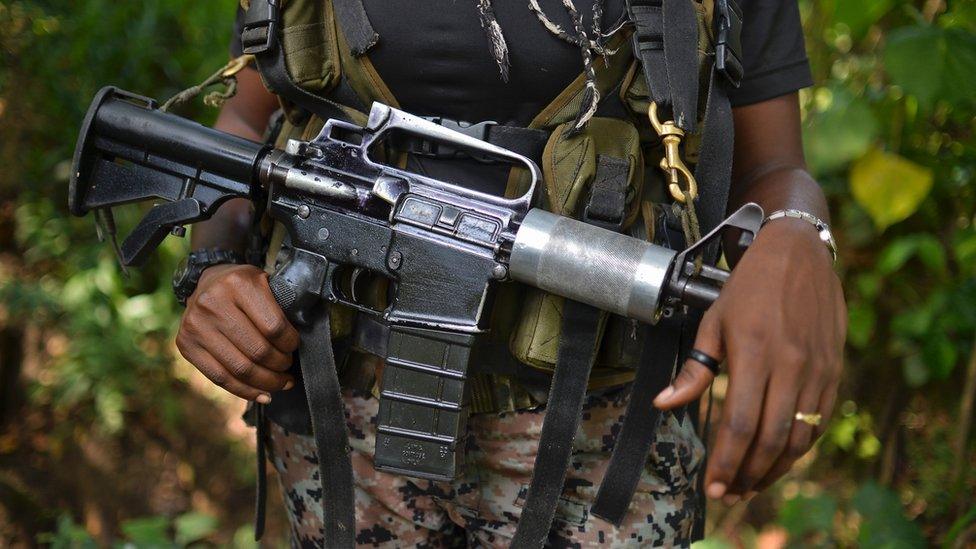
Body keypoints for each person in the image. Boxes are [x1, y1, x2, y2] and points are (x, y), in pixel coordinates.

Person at [173, 0, 846, 546]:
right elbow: (249, 115)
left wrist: (797, 235)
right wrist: (213, 265)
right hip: (337, 415)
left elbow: (772, 168)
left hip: (601, 431)